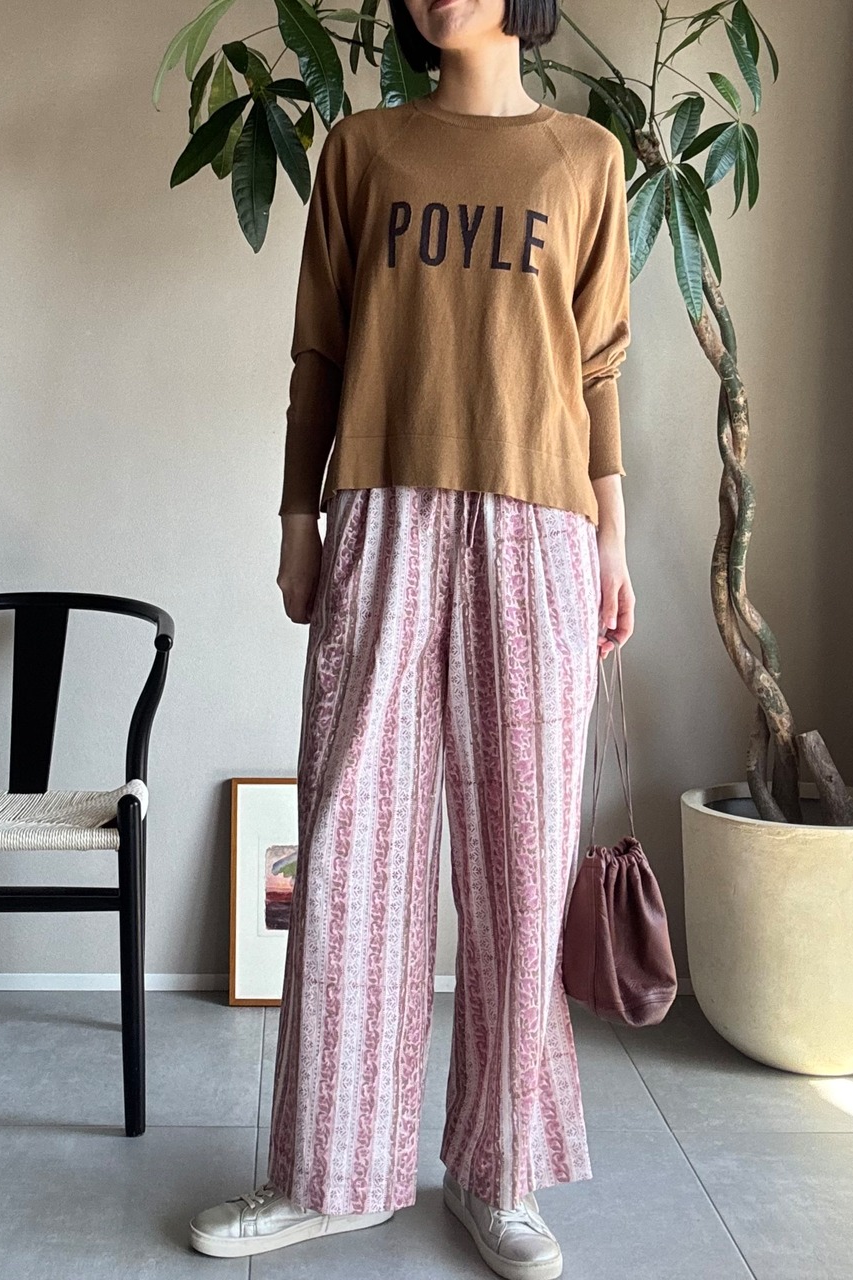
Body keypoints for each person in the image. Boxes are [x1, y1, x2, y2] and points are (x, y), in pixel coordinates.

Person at [190, 1, 635, 1274]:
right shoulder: (362, 149)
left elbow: (596, 368)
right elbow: (318, 353)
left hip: (539, 529)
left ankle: (500, 1173)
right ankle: (329, 1169)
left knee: (519, 860)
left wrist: (611, 539)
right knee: (349, 844)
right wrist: (297, 518)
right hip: (380, 511)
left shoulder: (585, 157)